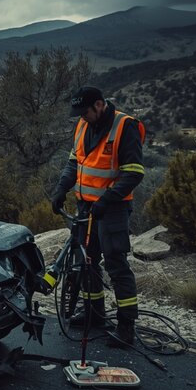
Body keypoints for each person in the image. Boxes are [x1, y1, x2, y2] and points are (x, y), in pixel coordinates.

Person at [49, 86, 145, 347]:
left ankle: (126, 326)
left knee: (116, 265)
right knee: (86, 261)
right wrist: (61, 189)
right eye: (79, 113)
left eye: (86, 112)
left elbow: (134, 172)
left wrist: (107, 199)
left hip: (111, 210)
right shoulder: (82, 126)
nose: (82, 117)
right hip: (85, 208)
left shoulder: (125, 126)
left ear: (100, 105)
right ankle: (95, 313)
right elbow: (74, 163)